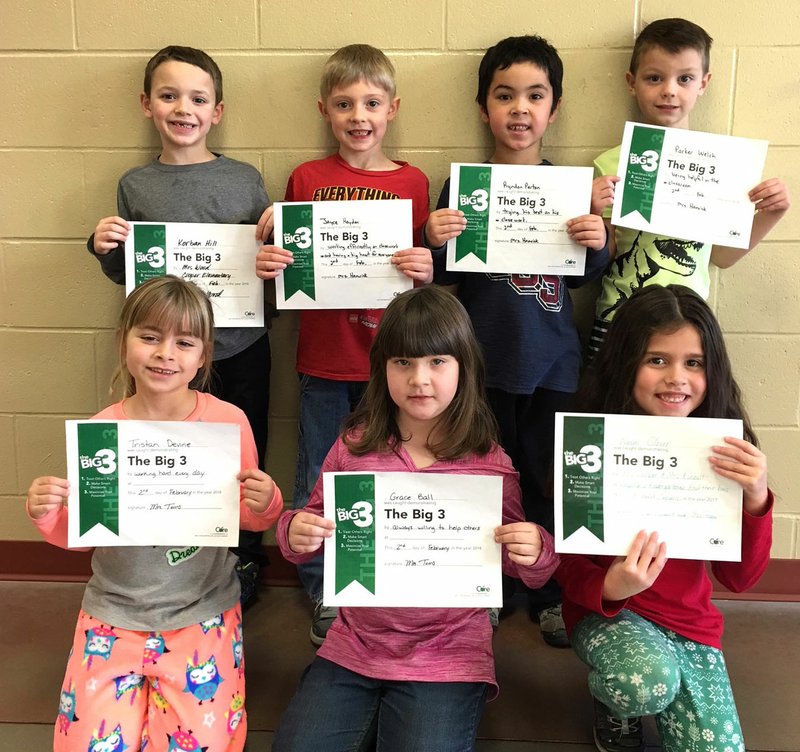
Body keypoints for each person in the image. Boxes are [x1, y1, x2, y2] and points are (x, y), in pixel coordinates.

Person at [271, 285, 558, 752]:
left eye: (437, 361)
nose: (420, 379)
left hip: (447, 649)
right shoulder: (353, 447)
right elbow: (302, 530)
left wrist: (534, 550)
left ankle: (424, 711)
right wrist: (296, 532)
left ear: (463, 367)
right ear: (382, 368)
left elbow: (532, 573)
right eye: (403, 361)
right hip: (358, 638)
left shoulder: (489, 462)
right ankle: (381, 709)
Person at [27, 277, 283, 752]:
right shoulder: (104, 429)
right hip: (115, 611)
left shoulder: (228, 423)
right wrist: (49, 512)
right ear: (124, 341)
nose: (165, 354)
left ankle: (159, 704)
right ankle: (135, 701)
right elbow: (81, 533)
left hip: (200, 610)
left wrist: (267, 502)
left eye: (184, 343)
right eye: (150, 337)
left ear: (203, 355)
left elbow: (248, 521)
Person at [556, 284, 772, 752]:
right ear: (628, 362)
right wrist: (610, 589)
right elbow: (565, 563)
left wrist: (756, 500)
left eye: (693, 362)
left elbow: (740, 580)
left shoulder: (724, 445)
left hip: (690, 625)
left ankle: (662, 688)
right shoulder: (589, 441)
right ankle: (617, 704)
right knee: (643, 679)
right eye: (658, 359)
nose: (677, 378)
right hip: (616, 617)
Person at [425, 35, 610, 646]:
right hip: (480, 367)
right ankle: (490, 586)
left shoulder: (571, 189)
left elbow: (589, 274)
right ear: (484, 109)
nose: (520, 109)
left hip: (552, 365)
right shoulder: (464, 189)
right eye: (505, 96)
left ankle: (550, 589)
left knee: (545, 478)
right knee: (482, 479)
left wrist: (596, 237)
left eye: (535, 96)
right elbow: (444, 273)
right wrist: (434, 235)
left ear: (554, 110)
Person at [255, 44, 433, 644]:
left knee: (391, 474)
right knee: (319, 476)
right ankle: (325, 589)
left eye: (372, 103)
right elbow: (290, 270)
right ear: (325, 110)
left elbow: (420, 271)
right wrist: (277, 257)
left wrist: (425, 264)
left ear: (393, 108)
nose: (359, 116)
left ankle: (384, 575)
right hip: (324, 360)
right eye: (344, 104)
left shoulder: (413, 181)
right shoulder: (306, 179)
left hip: (394, 366)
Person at [87, 45, 274, 606]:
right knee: (168, 450)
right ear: (147, 104)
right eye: (168, 96)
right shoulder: (135, 185)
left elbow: (262, 261)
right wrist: (104, 250)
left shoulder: (244, 178)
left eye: (197, 98)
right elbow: (130, 275)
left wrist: (272, 261)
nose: (183, 108)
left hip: (239, 345)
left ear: (218, 110)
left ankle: (244, 559)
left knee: (241, 451)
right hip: (166, 357)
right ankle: (175, 560)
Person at [589, 18, 790, 355]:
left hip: (687, 325)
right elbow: (606, 253)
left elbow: (721, 257)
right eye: (655, 78)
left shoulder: (722, 166)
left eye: (685, 79)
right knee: (607, 404)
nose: (669, 90)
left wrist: (772, 214)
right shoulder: (611, 163)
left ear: (704, 83)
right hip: (617, 318)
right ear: (632, 82)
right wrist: (595, 211)